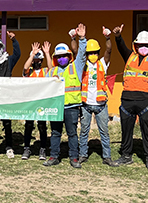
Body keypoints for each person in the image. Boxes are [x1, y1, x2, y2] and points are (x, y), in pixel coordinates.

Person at [112, 24, 148, 170]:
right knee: (126, 130)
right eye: (141, 45)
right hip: (127, 101)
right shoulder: (129, 57)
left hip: (146, 101)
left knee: (146, 131)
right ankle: (126, 156)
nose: (143, 47)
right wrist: (118, 36)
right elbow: (121, 47)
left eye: (146, 45)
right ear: (136, 45)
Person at [73, 27, 118, 167]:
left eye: (95, 52)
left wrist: (108, 38)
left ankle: (107, 157)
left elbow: (109, 50)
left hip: (101, 105)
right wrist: (73, 38)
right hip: (86, 104)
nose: (92, 54)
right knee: (84, 131)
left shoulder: (102, 64)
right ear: (86, 54)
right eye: (90, 53)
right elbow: (75, 51)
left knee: (104, 132)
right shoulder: (82, 65)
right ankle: (83, 155)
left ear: (98, 53)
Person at [43, 23, 86, 168]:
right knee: (55, 133)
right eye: (59, 57)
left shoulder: (76, 67)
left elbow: (81, 55)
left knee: (72, 133)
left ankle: (74, 158)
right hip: (56, 107)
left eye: (64, 56)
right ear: (56, 58)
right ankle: (54, 156)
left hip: (72, 107)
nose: (62, 58)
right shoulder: (52, 71)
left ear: (69, 56)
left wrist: (82, 38)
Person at [21, 41, 52, 160]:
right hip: (31, 102)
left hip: (42, 102)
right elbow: (25, 67)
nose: (37, 62)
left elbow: (51, 68)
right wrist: (32, 55)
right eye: (35, 60)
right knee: (29, 125)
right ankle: (27, 148)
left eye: (39, 60)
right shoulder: (29, 72)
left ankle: (43, 149)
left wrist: (47, 53)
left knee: (42, 126)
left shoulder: (45, 72)